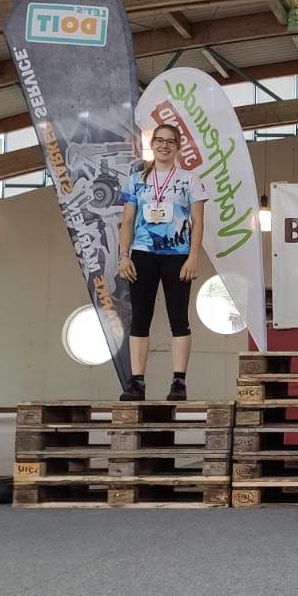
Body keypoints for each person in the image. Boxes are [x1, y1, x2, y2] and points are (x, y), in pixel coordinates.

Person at [117, 123, 207, 402]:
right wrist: (124, 255)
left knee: (178, 317)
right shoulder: (136, 180)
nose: (164, 145)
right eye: (159, 140)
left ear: (178, 147)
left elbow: (198, 222)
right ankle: (137, 382)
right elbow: (127, 221)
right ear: (152, 143)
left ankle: (179, 381)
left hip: (177, 256)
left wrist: (193, 257)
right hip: (142, 254)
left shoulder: (190, 180)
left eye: (170, 141)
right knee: (139, 317)